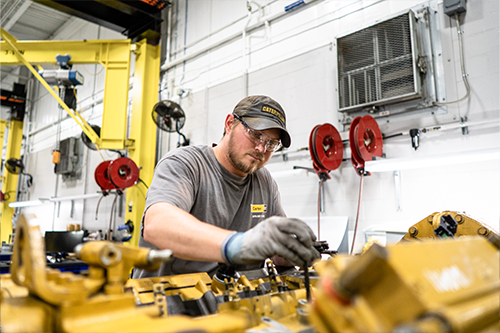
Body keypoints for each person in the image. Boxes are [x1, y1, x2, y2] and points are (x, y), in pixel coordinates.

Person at [132, 95, 320, 279]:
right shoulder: (185, 163)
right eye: (255, 135)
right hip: (167, 301)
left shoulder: (264, 182)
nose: (262, 149)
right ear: (230, 123)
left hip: (230, 303)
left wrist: (295, 251)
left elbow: (275, 250)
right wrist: (238, 245)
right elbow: (157, 225)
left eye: (272, 143)